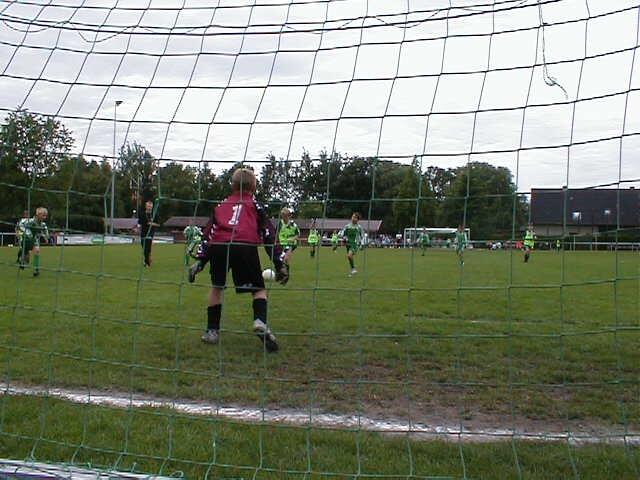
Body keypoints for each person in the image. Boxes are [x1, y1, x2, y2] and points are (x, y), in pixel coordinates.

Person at [188, 168, 289, 352]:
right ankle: (260, 322)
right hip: (244, 245)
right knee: (258, 289)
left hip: (219, 246)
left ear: (233, 186)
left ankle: (212, 331)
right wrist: (279, 262)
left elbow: (209, 233)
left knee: (217, 287)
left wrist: (201, 260)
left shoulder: (221, 205)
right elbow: (269, 234)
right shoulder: (256, 206)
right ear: (254, 187)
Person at [16, 207, 49, 276]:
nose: (45, 217)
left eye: (45, 216)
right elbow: (20, 225)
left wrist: (46, 237)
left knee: (36, 251)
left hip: (33, 239)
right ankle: (23, 260)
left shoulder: (42, 224)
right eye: (43, 215)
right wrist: (24, 233)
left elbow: (45, 229)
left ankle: (35, 270)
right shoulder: (30, 221)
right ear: (38, 214)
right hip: (26, 239)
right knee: (28, 257)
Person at [277, 207, 300, 271]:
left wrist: (293, 238)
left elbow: (297, 234)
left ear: (289, 216)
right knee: (281, 259)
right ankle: (282, 271)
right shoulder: (280, 224)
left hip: (290, 244)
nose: (284, 217)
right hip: (281, 244)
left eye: (285, 216)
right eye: (283, 216)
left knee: (286, 258)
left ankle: (285, 272)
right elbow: (276, 234)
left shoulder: (293, 225)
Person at [138, 200, 159, 267]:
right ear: (146, 206)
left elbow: (158, 224)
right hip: (143, 233)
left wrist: (152, 224)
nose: (149, 207)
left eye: (150, 206)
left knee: (148, 249)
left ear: (152, 207)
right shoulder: (142, 214)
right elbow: (139, 223)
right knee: (144, 248)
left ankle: (147, 263)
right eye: (148, 206)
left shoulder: (154, 215)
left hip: (150, 233)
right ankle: (148, 260)